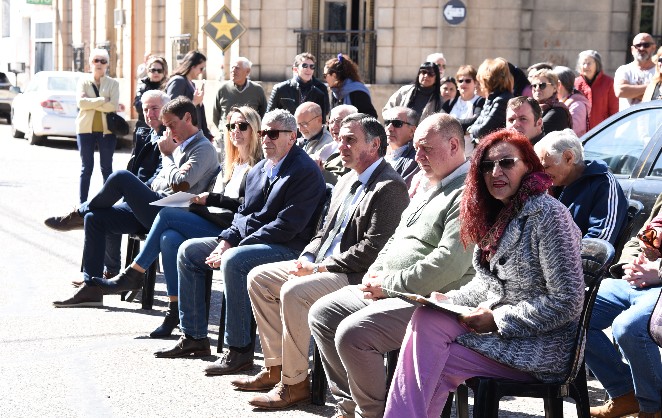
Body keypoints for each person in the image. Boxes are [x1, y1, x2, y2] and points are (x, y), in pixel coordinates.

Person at [384, 129, 584, 417]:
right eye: (488, 166)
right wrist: (449, 300)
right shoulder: (498, 213)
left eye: (507, 163)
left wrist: (498, 319)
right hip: (507, 336)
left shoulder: (549, 215)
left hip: (542, 347)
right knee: (427, 317)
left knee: (434, 356)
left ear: (528, 166)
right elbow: (487, 285)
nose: (496, 172)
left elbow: (567, 301)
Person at [231, 114, 409, 410]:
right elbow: (323, 231)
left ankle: (295, 383)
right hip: (323, 264)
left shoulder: (389, 187)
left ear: (375, 145)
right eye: (340, 139)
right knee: (259, 278)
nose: (342, 146)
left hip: (355, 274)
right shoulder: (347, 179)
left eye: (350, 140)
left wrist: (319, 268)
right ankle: (277, 367)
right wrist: (308, 257)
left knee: (294, 291)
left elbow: (373, 250)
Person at [309, 114, 475, 418]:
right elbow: (396, 238)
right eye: (416, 148)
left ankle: (370, 413)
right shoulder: (428, 184)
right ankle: (350, 407)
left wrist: (387, 285)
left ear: (454, 145)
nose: (418, 157)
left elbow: (448, 265)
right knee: (323, 313)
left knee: (354, 334)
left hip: (433, 301)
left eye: (426, 149)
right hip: (393, 288)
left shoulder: (468, 194)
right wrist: (374, 274)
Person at [153, 109, 326, 362]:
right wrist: (226, 240)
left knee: (235, 261)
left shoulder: (304, 171)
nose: (265, 139)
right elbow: (242, 215)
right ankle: (194, 338)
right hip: (253, 241)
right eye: (263, 133)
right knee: (188, 251)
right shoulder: (258, 170)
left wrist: (236, 246)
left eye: (273, 134)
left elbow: (287, 226)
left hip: (289, 247)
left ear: (292, 136)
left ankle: (239, 350)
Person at [93, 106, 263, 337]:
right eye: (231, 126)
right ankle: (174, 311)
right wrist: (199, 199)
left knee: (166, 215)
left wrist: (211, 198)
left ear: (254, 130)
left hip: (231, 230)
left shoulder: (258, 167)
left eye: (242, 126)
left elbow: (246, 206)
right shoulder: (229, 165)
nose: (236, 131)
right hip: (211, 219)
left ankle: (133, 273)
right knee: (169, 238)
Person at [49, 97, 221, 307]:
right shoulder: (177, 144)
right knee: (95, 218)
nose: (169, 131)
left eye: (172, 124)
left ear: (187, 117)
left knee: (121, 177)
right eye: (166, 126)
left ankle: (79, 213)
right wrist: (170, 171)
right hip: (154, 207)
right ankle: (91, 288)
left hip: (173, 214)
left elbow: (180, 184)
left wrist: (167, 157)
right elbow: (159, 181)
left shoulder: (203, 148)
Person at [584, 195, 662, 418]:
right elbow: (640, 239)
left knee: (628, 327)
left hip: (658, 285)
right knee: (572, 311)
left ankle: (652, 407)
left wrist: (658, 273)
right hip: (640, 279)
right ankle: (624, 392)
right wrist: (630, 264)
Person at [534, 129, 627, 246]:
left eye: (546, 167)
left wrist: (563, 254)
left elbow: (600, 241)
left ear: (568, 158)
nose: (542, 173)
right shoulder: (556, 184)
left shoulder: (604, 184)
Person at [75, 48, 120, 204]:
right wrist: (102, 100)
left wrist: (91, 102)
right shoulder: (83, 81)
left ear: (107, 64)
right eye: (96, 60)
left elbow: (113, 106)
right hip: (85, 130)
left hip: (107, 132)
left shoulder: (113, 83)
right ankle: (82, 204)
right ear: (90, 63)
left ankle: (107, 203)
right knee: (86, 168)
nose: (99, 64)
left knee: (106, 168)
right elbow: (81, 103)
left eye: (103, 61)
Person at [266, 52, 330, 122]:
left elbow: (321, 121)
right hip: (285, 128)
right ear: (296, 69)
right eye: (305, 65)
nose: (308, 69)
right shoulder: (281, 89)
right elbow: (268, 117)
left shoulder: (319, 93)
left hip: (308, 129)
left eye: (312, 66)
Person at [165, 50, 213, 140]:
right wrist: (194, 102)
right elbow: (171, 109)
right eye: (201, 68)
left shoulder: (191, 83)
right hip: (181, 136)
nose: (201, 72)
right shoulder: (178, 81)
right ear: (193, 66)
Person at [212, 57, 267, 130]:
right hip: (226, 134)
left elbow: (264, 114)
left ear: (247, 71)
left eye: (237, 68)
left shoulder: (257, 90)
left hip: (250, 134)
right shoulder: (223, 89)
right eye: (232, 67)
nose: (233, 70)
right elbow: (215, 115)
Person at [469, 58, 514, 144]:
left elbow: (483, 130)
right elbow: (478, 123)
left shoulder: (502, 100)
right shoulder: (491, 98)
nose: (479, 84)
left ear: (488, 80)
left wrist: (470, 130)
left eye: (480, 81)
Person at [574, 50, 619, 129]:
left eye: (589, 63)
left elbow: (614, 110)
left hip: (602, 130)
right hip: (580, 131)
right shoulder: (575, 83)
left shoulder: (608, 83)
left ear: (597, 64)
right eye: (583, 63)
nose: (586, 66)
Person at [324, 54, 377, 118]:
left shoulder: (358, 92)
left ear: (334, 75)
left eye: (325, 75)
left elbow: (371, 116)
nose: (325, 79)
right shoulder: (335, 92)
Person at [315, 104, 357, 185]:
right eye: (331, 122)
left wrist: (322, 172)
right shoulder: (327, 148)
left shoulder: (357, 151)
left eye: (338, 121)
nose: (334, 126)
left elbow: (348, 183)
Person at [615, 33, 657, 111]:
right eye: (638, 45)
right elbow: (621, 91)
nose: (642, 48)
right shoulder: (624, 70)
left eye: (646, 45)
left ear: (653, 48)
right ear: (632, 49)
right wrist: (653, 87)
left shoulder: (659, 71)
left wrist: (632, 92)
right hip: (629, 118)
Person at [382, 106, 420, 187]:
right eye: (387, 122)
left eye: (397, 123)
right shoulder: (376, 151)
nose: (389, 128)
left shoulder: (417, 159)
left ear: (412, 131)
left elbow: (399, 190)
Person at [529, 68, 572, 134]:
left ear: (554, 88)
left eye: (542, 85)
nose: (537, 89)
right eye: (534, 86)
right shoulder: (532, 108)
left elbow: (535, 134)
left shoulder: (558, 111)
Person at [444, 65, 485, 131]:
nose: (463, 83)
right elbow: (441, 120)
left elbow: (476, 121)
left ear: (475, 83)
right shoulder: (450, 102)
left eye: (467, 81)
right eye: (460, 81)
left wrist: (450, 122)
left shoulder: (481, 102)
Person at [554, 66, 591, 137]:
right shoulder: (560, 101)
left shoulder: (577, 105)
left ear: (559, 84)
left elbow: (570, 132)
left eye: (551, 82)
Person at [134, 55, 168, 125]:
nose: (156, 73)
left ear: (164, 72)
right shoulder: (142, 85)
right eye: (153, 70)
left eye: (159, 71)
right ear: (148, 71)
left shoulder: (168, 86)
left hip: (163, 125)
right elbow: (138, 106)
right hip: (144, 125)